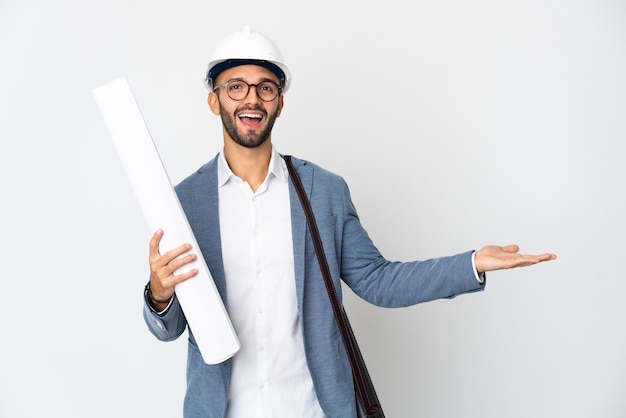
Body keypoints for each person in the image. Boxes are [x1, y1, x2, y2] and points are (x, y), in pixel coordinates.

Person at [143, 26, 557, 418]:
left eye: (266, 88)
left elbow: (378, 281)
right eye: (236, 86)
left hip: (312, 408)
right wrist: (159, 294)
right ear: (214, 100)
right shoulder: (183, 202)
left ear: (280, 103)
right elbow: (171, 329)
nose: (252, 99)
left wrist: (471, 264)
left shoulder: (322, 191)